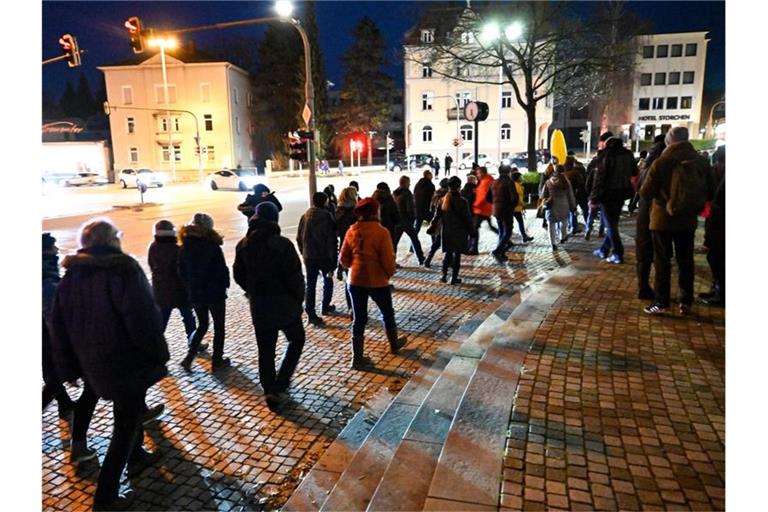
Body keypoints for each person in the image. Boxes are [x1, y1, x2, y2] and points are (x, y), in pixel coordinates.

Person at [50, 219, 167, 510]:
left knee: (129, 410)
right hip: (125, 359)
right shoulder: (123, 270)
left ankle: (137, 454)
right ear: (113, 240)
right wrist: (157, 353)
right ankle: (105, 498)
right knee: (125, 424)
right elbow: (142, 318)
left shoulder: (71, 276)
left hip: (92, 362)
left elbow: (59, 327)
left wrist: (69, 367)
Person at [234, 202, 306, 410]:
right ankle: (281, 384)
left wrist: (251, 290)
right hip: (284, 303)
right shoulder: (282, 244)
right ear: (274, 220)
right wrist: (297, 299)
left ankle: (269, 390)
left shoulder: (244, 244)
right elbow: (294, 277)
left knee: (265, 349)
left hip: (259, 304)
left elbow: (238, 274)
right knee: (296, 339)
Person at [640, 126, 714, 315]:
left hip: (662, 219)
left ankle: (662, 302)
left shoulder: (662, 161)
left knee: (662, 261)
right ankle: (685, 301)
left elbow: (645, 192)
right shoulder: (700, 161)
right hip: (687, 219)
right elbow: (711, 190)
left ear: (669, 141)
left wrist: (663, 199)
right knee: (685, 260)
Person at [339, 198, 407, 369]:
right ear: (375, 212)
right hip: (377, 280)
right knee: (387, 312)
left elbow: (343, 258)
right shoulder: (381, 232)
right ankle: (394, 343)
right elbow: (388, 259)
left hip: (355, 280)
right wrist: (388, 273)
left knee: (359, 318)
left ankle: (357, 358)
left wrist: (353, 268)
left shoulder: (352, 230)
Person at [179, 213, 231, 371]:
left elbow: (181, 271)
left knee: (202, 325)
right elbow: (221, 269)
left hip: (196, 292)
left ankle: (189, 358)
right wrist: (224, 285)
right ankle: (217, 361)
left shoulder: (184, 246)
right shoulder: (212, 245)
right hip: (214, 292)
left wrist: (190, 287)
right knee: (219, 327)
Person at [148, 220, 200, 351]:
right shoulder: (178, 249)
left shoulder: (153, 247)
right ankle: (193, 341)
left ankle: (155, 345)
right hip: (179, 290)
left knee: (162, 320)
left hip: (161, 291)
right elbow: (184, 271)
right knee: (188, 317)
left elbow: (151, 265)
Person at [42, 233, 76, 419]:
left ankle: (64, 402)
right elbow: (51, 310)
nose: (56, 250)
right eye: (53, 247)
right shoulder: (45, 273)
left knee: (51, 368)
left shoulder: (46, 268)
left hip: (46, 330)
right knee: (53, 368)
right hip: (46, 331)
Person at [589, 136, 637, 264]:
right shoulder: (628, 154)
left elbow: (599, 179)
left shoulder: (606, 155)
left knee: (610, 226)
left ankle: (618, 253)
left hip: (608, 194)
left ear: (607, 144)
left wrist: (593, 199)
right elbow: (634, 172)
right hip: (622, 193)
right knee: (613, 224)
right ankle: (604, 250)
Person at [297, 192, 338, 326]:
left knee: (311, 284)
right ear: (324, 202)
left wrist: (303, 252)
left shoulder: (305, 216)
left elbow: (299, 238)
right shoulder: (327, 216)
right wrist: (333, 258)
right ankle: (325, 306)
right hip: (324, 256)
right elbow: (331, 239)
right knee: (328, 280)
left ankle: (311, 312)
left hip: (309, 256)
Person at [635, 136, 666, 300]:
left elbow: (641, 190)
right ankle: (659, 292)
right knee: (661, 254)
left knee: (644, 252)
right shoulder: (663, 165)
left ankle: (644, 286)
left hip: (645, 212)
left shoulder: (648, 166)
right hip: (658, 213)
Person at [437, 176, 475, 283]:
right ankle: (454, 277)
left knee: (448, 253)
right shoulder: (462, 201)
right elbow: (467, 218)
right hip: (459, 232)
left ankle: (444, 275)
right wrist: (472, 232)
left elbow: (437, 216)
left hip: (446, 231)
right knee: (457, 254)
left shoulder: (443, 200)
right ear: (459, 187)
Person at [701, 145, 725, 306]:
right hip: (718, 222)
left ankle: (721, 293)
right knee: (716, 257)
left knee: (718, 258)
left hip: (721, 224)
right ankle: (717, 289)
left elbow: (718, 202)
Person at [585, 132, 613, 240]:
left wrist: (590, 194)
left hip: (594, 194)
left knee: (591, 214)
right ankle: (600, 232)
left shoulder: (593, 167)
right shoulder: (608, 167)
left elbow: (588, 182)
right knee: (602, 215)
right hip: (604, 195)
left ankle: (588, 231)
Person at [335, 187, 360, 310]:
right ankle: (357, 308)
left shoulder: (338, 210)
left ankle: (351, 307)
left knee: (348, 279)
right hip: (355, 246)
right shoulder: (355, 211)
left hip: (343, 246)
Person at [542, 165, 577, 251]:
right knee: (564, 222)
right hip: (563, 204)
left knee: (551, 225)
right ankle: (562, 237)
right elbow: (570, 195)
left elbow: (543, 194)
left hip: (551, 205)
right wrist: (573, 206)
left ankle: (553, 243)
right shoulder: (565, 181)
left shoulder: (548, 181)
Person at [392, 175, 426, 265]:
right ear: (405, 183)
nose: (410, 184)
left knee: (395, 241)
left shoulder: (395, 193)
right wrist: (412, 219)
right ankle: (421, 258)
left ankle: (392, 260)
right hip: (406, 220)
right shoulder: (407, 194)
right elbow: (410, 209)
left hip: (397, 220)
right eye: (408, 182)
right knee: (414, 239)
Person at [491, 165, 515, 262]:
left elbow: (489, 196)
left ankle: (501, 253)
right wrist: (512, 206)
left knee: (502, 231)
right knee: (508, 232)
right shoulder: (509, 182)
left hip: (496, 209)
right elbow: (514, 198)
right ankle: (497, 251)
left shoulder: (494, 182)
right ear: (508, 172)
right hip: (506, 210)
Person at [424, 178, 450, 268]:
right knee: (441, 242)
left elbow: (431, 208)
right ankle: (447, 262)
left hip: (437, 220)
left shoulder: (436, 194)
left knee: (438, 242)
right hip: (444, 221)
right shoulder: (446, 195)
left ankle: (429, 259)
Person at [469, 166, 495, 254]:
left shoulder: (486, 182)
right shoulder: (486, 180)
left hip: (481, 209)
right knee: (489, 226)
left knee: (474, 228)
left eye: (479, 173)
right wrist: (476, 191)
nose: (477, 175)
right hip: (484, 208)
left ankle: (474, 248)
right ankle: (506, 241)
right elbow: (481, 192)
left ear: (483, 173)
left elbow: (482, 196)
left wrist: (475, 205)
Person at [371, 182, 400, 251]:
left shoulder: (372, 201)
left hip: (375, 229)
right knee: (390, 248)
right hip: (389, 229)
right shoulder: (390, 201)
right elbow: (396, 217)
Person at [563, 156, 588, 235]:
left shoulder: (564, 173)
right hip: (579, 194)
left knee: (572, 211)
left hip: (569, 195)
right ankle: (588, 224)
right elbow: (581, 183)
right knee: (584, 209)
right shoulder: (575, 172)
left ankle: (573, 226)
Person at [511, 172, 534, 243]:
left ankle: (524, 236)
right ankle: (523, 236)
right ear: (517, 178)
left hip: (516, 207)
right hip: (515, 207)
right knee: (518, 222)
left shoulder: (517, 185)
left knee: (518, 222)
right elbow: (516, 197)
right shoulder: (516, 186)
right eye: (520, 177)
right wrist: (522, 204)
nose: (521, 178)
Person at [413, 169, 436, 236]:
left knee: (417, 228)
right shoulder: (430, 185)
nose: (432, 176)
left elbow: (414, 194)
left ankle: (412, 245)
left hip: (418, 209)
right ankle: (434, 244)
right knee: (433, 226)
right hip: (427, 210)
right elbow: (433, 198)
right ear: (428, 175)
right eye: (431, 174)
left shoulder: (418, 184)